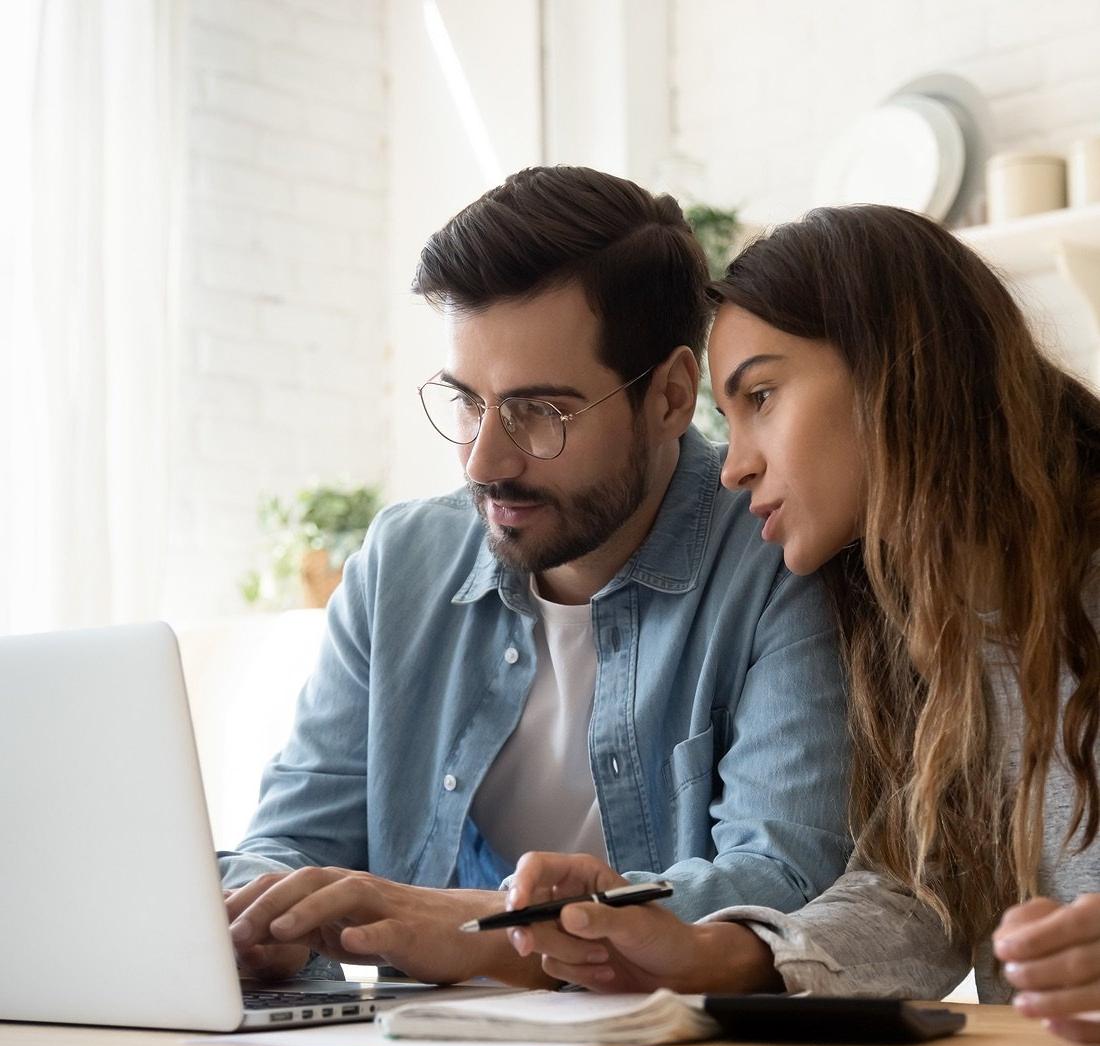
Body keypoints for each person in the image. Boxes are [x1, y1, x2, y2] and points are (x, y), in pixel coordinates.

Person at [219, 166, 851, 988]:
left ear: (667, 397)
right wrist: (257, 917)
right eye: (466, 402)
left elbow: (784, 880)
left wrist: (484, 934)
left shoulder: (783, 558)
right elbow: (293, 838)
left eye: (538, 412)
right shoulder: (401, 565)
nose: (485, 460)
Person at [506, 203, 1100, 1044]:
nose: (737, 464)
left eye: (762, 396)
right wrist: (712, 952)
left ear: (900, 365)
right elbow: (916, 892)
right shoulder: (918, 631)